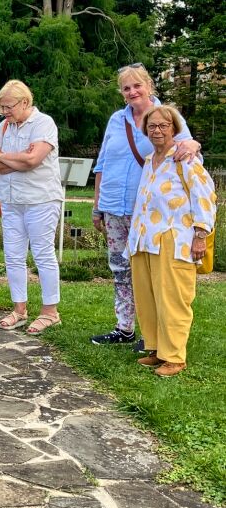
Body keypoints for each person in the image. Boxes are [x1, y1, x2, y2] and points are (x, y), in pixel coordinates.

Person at [90, 64, 200, 347]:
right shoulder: (117, 119)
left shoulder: (164, 116)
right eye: (126, 88)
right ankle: (124, 327)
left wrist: (195, 144)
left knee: (150, 273)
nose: (132, 92)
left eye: (137, 85)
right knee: (120, 270)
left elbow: (187, 146)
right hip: (114, 205)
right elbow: (102, 162)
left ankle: (151, 335)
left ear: (149, 86)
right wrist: (97, 204)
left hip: (149, 211)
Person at [129, 105, 216, 377]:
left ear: (174, 129)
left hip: (174, 239)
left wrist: (200, 235)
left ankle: (175, 357)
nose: (157, 131)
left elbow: (205, 196)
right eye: (152, 126)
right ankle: (157, 349)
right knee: (148, 298)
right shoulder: (148, 160)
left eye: (163, 126)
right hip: (145, 239)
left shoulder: (184, 158)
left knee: (173, 300)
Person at [0, 80, 64, 334]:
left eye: (8, 107)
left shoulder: (44, 123)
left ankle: (50, 312)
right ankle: (19, 309)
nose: (5, 112)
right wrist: (15, 158)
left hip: (40, 199)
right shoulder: (4, 126)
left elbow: (33, 160)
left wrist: (6, 157)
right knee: (13, 255)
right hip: (10, 199)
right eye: (2, 108)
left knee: (43, 253)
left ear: (25, 102)